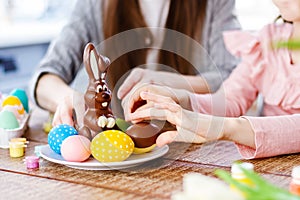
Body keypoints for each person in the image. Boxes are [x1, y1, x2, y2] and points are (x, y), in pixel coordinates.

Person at [125, 0, 300, 159]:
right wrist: (180, 99)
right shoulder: (268, 40)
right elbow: (230, 100)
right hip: (270, 168)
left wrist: (229, 128)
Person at [28, 0, 240, 126]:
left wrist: (170, 82)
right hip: (116, 153)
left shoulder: (214, 4)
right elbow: (45, 78)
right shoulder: (95, 4)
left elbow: (236, 79)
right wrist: (69, 99)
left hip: (188, 146)